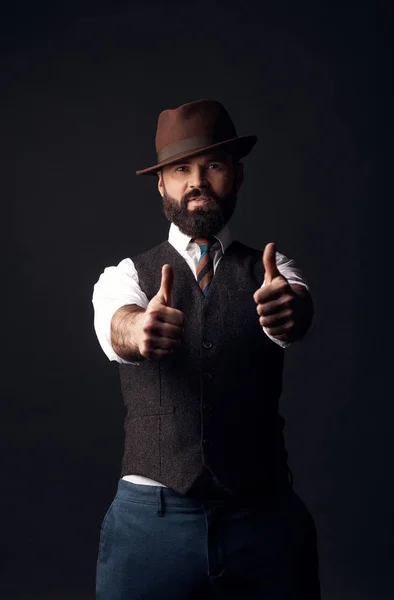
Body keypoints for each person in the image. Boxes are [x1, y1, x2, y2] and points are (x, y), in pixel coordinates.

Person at [92, 99, 321, 599]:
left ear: (236, 177)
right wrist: (139, 330)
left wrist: (291, 311)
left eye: (212, 165)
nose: (196, 180)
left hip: (264, 522)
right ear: (162, 184)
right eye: (180, 169)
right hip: (149, 525)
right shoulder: (124, 277)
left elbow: (296, 312)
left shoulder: (274, 269)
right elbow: (117, 325)